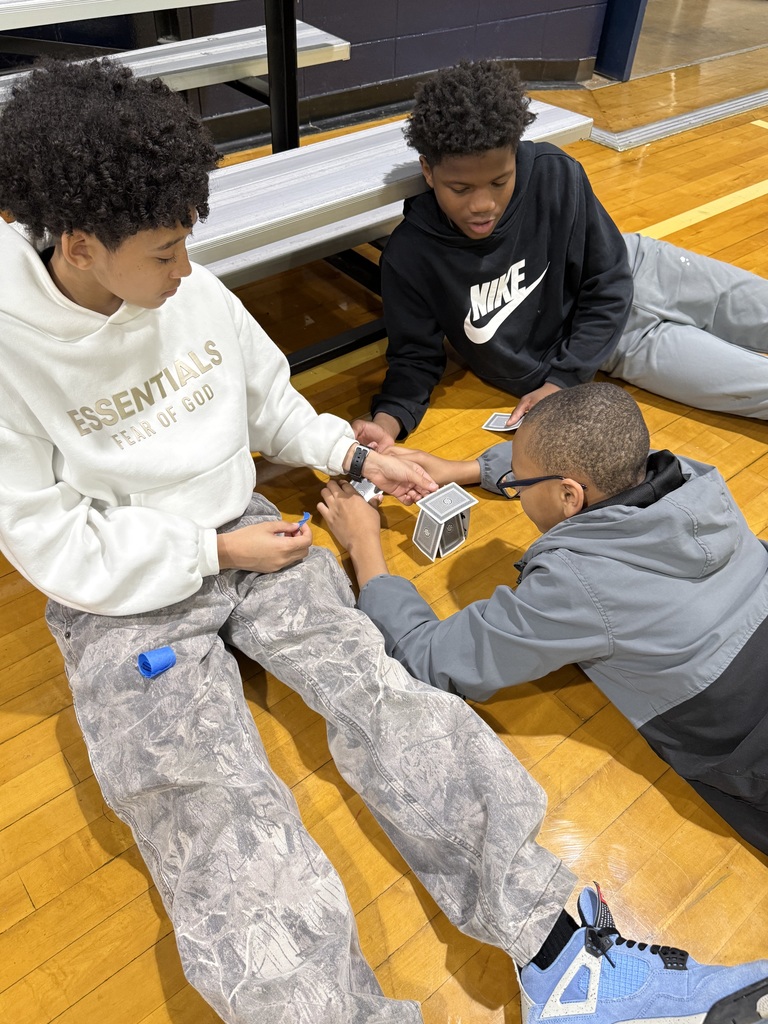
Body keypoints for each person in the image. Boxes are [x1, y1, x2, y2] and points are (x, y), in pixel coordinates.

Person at [2, 57, 767, 1024]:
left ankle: (569, 956)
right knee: (208, 802)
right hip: (123, 586)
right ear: (77, 245)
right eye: (163, 251)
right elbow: (45, 538)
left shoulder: (185, 291)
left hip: (255, 531)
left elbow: (270, 401)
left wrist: (359, 459)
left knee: (390, 697)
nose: (187, 269)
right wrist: (210, 556)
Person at [321, 382, 768, 857]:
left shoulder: (576, 585)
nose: (512, 486)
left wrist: (364, 545)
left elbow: (428, 657)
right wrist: (464, 469)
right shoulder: (692, 478)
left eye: (517, 482)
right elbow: (596, 457)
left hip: (746, 747)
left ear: (569, 496)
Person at [353, 60, 768, 446]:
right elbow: (415, 359)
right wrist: (388, 421)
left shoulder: (555, 172)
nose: (482, 204)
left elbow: (609, 280)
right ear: (428, 171)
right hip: (620, 343)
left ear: (516, 155)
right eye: (460, 189)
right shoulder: (411, 256)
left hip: (647, 269)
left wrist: (565, 378)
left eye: (500, 182)